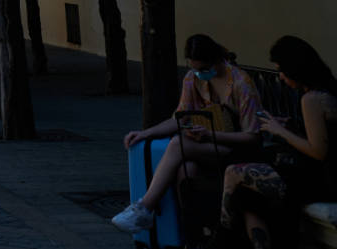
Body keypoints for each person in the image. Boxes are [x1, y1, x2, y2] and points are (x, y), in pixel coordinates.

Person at [111, 33, 263, 234]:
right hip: (209, 148)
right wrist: (146, 134)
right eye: (194, 68)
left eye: (203, 69)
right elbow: (179, 119)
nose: (199, 73)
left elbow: (253, 137)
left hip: (237, 150)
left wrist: (209, 135)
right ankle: (195, 234)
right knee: (186, 170)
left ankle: (145, 207)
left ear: (216, 60)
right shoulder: (193, 79)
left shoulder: (241, 83)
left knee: (177, 144)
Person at [219, 37, 337, 249]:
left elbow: (318, 151)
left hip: (323, 179)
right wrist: (289, 127)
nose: (281, 77)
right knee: (244, 195)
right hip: (324, 174)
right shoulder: (327, 91)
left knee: (233, 172)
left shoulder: (312, 99)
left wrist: (279, 131)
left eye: (281, 70)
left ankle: (222, 237)